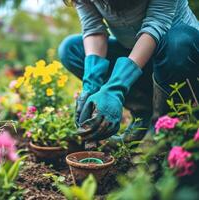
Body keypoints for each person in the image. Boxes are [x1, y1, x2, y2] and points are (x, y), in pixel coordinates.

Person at [58, 0, 199, 144]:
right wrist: (90, 85)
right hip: (138, 57)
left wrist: (116, 86)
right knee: (71, 49)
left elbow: (156, 26)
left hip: (179, 58)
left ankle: (161, 128)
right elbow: (93, 30)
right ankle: (143, 114)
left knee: (178, 43)